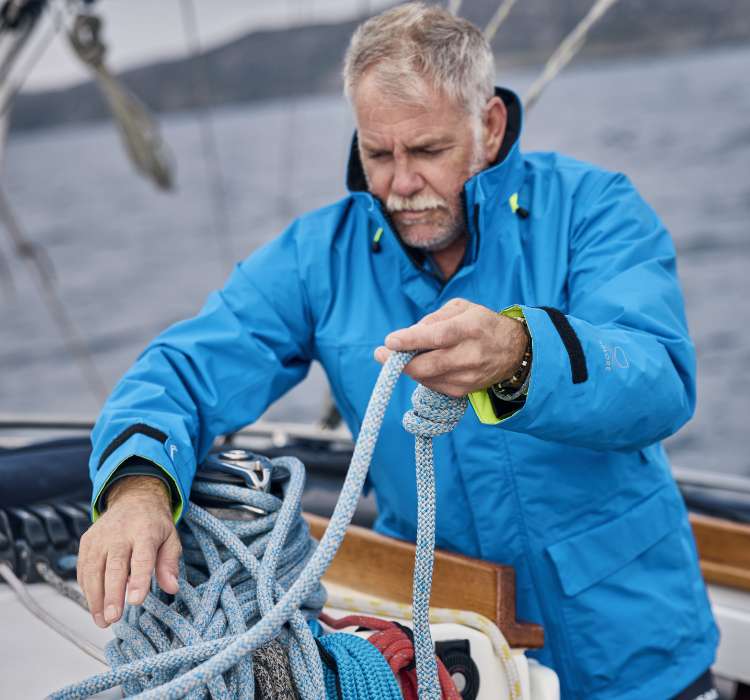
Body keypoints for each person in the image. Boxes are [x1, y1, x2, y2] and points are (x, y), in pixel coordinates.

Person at [76, 4, 718, 698]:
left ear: (489, 126)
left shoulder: (595, 208)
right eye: (378, 155)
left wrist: (521, 354)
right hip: (454, 654)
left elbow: (657, 379)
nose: (401, 185)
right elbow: (183, 370)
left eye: (428, 151)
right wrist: (138, 488)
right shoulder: (318, 256)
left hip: (633, 653)